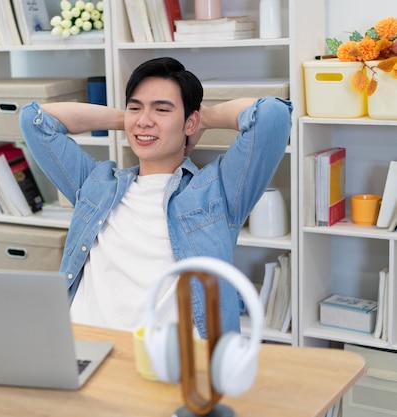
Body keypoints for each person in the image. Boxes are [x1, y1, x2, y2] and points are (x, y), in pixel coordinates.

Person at [18, 57, 292, 337]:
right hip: (86, 348)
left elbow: (272, 115)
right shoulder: (97, 184)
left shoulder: (217, 192)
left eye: (162, 109)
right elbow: (35, 120)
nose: (145, 120)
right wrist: (129, 120)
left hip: (170, 361)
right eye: (135, 107)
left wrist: (202, 119)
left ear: (189, 122)